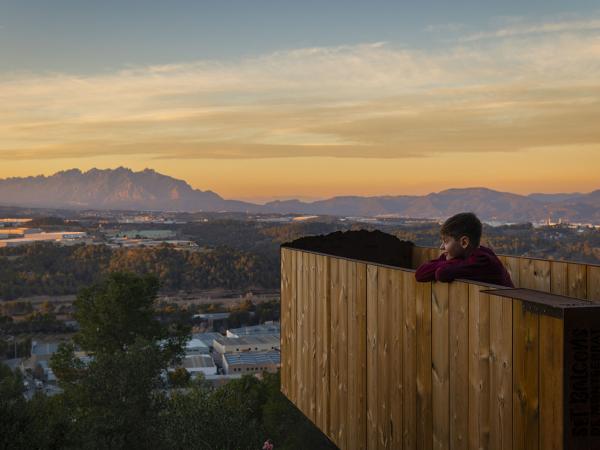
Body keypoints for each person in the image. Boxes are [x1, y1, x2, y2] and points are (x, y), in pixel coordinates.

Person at [415, 212, 514, 287]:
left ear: (464, 242)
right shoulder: (463, 256)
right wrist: (451, 260)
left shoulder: (483, 260)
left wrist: (450, 261)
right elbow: (420, 274)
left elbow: (442, 273)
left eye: (446, 242)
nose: (441, 247)